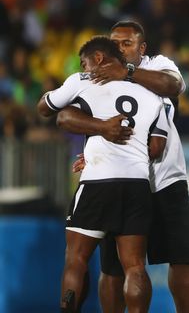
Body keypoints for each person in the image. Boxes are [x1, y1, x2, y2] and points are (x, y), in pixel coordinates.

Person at [57, 20, 189, 313]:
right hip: (123, 181)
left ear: (142, 48)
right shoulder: (100, 76)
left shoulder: (158, 64)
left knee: (182, 255)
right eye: (115, 43)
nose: (120, 49)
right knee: (113, 268)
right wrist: (98, 155)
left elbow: (173, 86)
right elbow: (73, 115)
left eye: (127, 43)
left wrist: (129, 72)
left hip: (165, 178)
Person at [37, 36, 168, 313]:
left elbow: (50, 112)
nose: (84, 67)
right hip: (137, 184)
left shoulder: (82, 81)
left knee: (76, 259)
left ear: (97, 59)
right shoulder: (151, 92)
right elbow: (156, 147)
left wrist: (100, 128)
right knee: (134, 265)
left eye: (84, 61)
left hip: (98, 181)